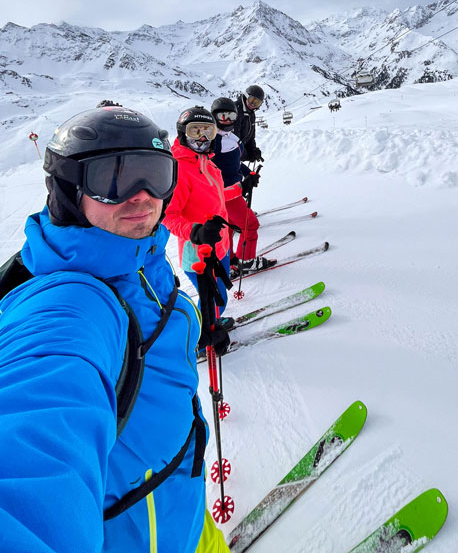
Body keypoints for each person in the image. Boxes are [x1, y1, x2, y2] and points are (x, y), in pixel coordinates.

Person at [0, 105, 230, 553]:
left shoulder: (136, 259)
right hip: (141, 532)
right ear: (69, 189)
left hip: (178, 502)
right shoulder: (70, 306)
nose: (142, 196)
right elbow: (28, 461)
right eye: (113, 178)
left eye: (154, 176)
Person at [163, 106, 237, 336]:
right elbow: (167, 216)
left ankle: (210, 323)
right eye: (196, 131)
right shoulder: (181, 169)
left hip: (219, 245)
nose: (202, 138)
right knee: (215, 301)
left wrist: (239, 189)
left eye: (208, 131)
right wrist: (195, 231)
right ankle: (198, 338)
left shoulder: (206, 162)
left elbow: (215, 198)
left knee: (217, 300)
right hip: (199, 252)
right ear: (183, 133)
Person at [210, 97, 273, 276]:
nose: (228, 120)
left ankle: (229, 259)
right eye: (223, 116)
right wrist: (240, 181)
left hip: (232, 190)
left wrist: (247, 173)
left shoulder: (231, 138)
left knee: (229, 227)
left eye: (231, 115)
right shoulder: (213, 142)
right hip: (227, 194)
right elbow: (213, 170)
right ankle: (247, 262)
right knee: (250, 225)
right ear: (215, 116)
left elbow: (234, 162)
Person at [233, 84, 264, 163]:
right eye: (251, 100)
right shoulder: (235, 110)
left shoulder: (251, 114)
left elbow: (250, 137)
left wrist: (252, 150)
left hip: (238, 155)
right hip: (229, 155)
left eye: (257, 103)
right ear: (246, 96)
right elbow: (234, 141)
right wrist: (247, 155)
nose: (253, 104)